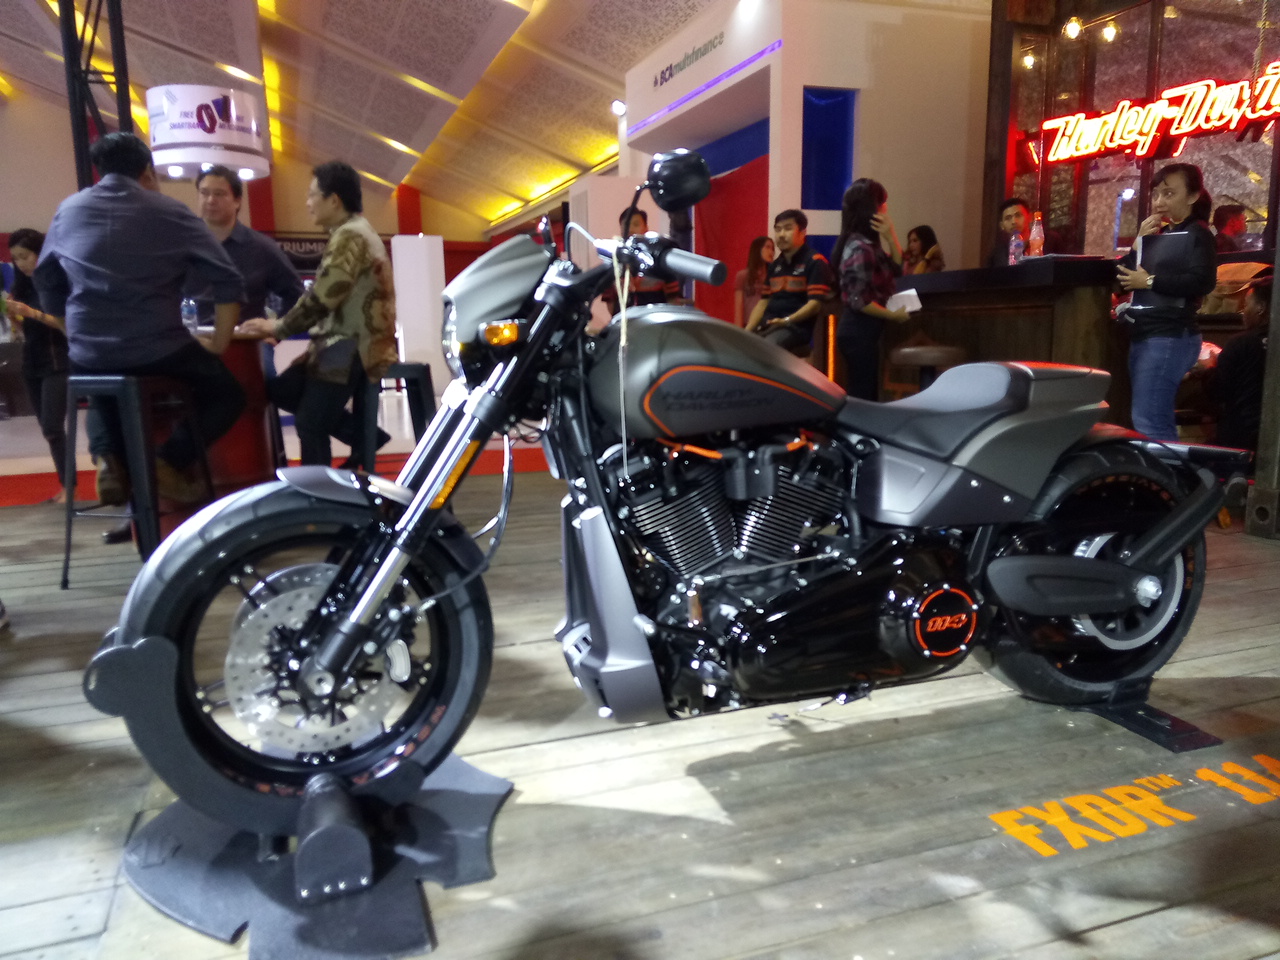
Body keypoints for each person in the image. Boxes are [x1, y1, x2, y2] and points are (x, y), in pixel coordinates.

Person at [34, 132, 246, 504]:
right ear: (146, 169)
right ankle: (168, 461)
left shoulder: (68, 209)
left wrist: (73, 332)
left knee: (101, 390)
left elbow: (45, 277)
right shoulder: (170, 211)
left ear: (98, 169)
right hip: (157, 348)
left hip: (89, 352)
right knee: (227, 394)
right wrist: (219, 342)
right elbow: (228, 279)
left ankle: (108, 462)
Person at [237, 160, 397, 467]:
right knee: (282, 391)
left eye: (312, 195)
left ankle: (320, 490)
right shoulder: (353, 232)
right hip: (345, 342)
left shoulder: (350, 236)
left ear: (333, 200)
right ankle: (366, 438)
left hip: (352, 346)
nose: (307, 203)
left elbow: (323, 298)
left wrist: (277, 328)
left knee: (309, 423)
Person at [1116, 162, 1217, 442]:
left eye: (1169, 194)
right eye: (1156, 194)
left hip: (1171, 334)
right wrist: (1138, 243)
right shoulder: (1161, 234)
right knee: (1146, 418)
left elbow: (1202, 281)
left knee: (1151, 421)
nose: (1159, 202)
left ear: (1193, 196)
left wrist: (1149, 281)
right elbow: (1122, 278)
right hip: (1147, 333)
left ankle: (1170, 471)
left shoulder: (1198, 234)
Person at [191, 165, 304, 376]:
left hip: (247, 342)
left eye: (219, 194)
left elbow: (296, 295)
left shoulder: (262, 248)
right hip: (195, 341)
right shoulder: (183, 244)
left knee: (268, 381)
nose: (210, 200)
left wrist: (276, 330)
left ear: (237, 201)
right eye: (204, 193)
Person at [4, 229, 70, 502]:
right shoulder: (22, 286)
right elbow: (24, 330)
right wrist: (15, 319)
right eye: (16, 258)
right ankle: (67, 485)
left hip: (58, 359)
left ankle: (71, 487)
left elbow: (66, 324)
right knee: (48, 430)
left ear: (39, 253)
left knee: (53, 426)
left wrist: (32, 313)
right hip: (32, 361)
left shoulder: (55, 281)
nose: (21, 263)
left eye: (25, 256)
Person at [832, 179, 910, 401]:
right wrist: (893, 315)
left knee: (864, 393)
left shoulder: (867, 244)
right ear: (871, 209)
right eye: (882, 203)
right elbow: (859, 300)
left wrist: (891, 236)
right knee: (863, 395)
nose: (886, 208)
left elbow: (897, 269)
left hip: (861, 331)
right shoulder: (860, 247)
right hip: (858, 331)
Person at [745, 209, 835, 354]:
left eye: (787, 229)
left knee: (766, 349)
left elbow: (815, 304)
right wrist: (746, 331)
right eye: (778, 229)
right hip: (770, 325)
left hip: (795, 328)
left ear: (802, 232)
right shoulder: (774, 266)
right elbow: (763, 302)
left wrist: (787, 320)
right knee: (741, 348)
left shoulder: (815, 262)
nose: (781, 234)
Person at [1208, 275, 1270, 451]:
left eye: (1246, 304)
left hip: (1242, 436)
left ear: (1260, 308)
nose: (1243, 312)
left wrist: (1210, 367)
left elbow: (1218, 391)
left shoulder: (1241, 343)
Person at [601, 206, 682, 313]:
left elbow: (673, 299)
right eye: (626, 225)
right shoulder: (614, 261)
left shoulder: (657, 258)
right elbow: (610, 300)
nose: (630, 229)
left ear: (646, 228)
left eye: (636, 224)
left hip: (655, 319)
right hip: (625, 321)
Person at [733, 235, 774, 327]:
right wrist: (738, 331)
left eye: (772, 249)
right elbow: (738, 307)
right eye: (767, 247)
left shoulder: (773, 277)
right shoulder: (743, 276)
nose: (771, 252)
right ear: (757, 249)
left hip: (768, 325)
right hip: (749, 325)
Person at [985, 198, 1032, 268]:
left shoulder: (1047, 243)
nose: (1014, 221)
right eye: (1008, 218)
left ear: (1030, 217)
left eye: (1018, 215)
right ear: (1002, 226)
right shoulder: (997, 256)